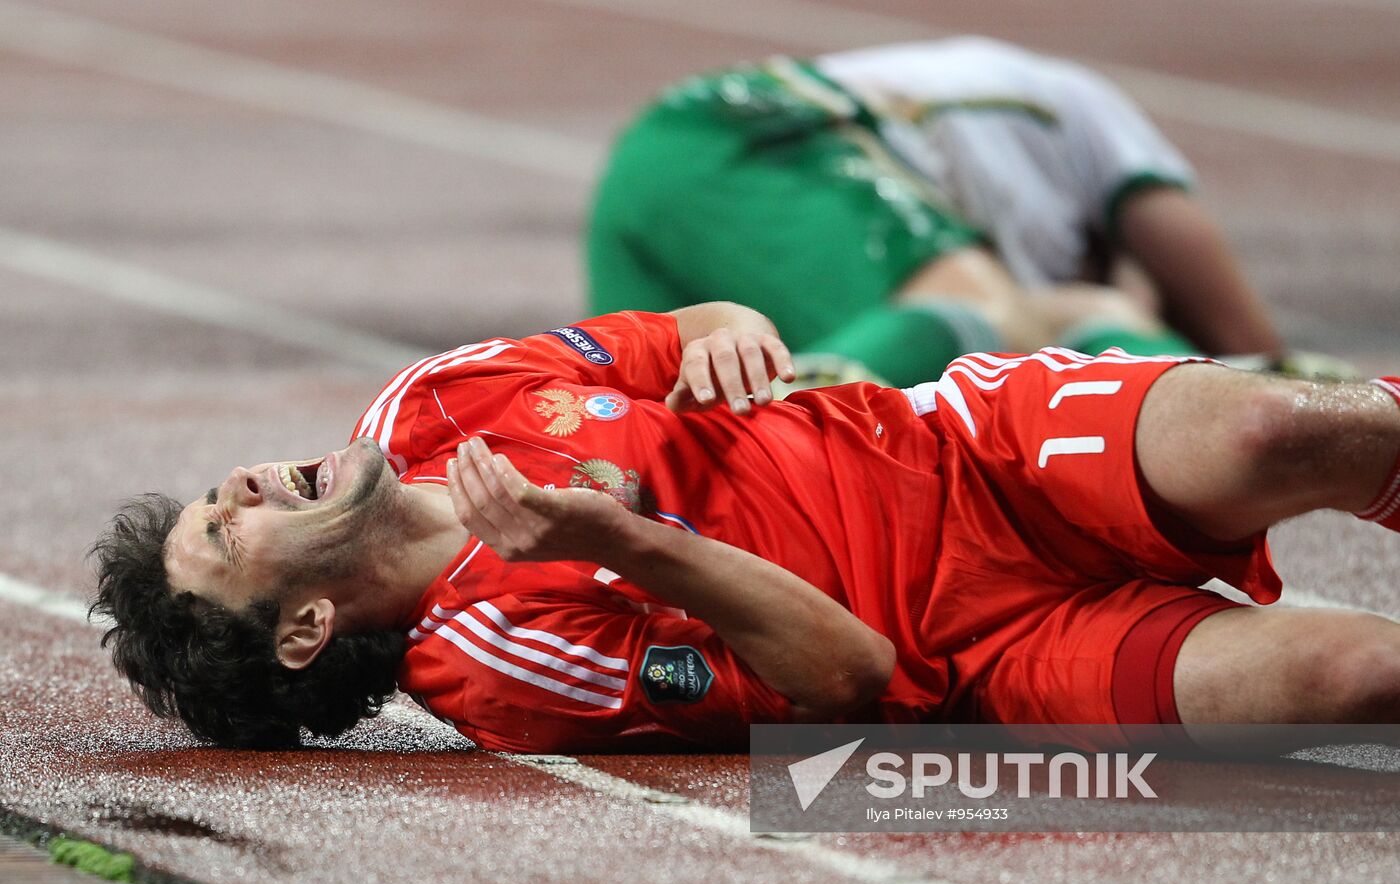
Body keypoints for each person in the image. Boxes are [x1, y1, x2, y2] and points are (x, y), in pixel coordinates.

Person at [91, 302, 1400, 754]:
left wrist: (740, 338)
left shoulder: (429, 395)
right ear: (308, 627)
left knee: (1276, 435)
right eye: (227, 528)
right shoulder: (497, 666)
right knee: (1355, 679)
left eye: (223, 483)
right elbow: (850, 678)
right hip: (988, 656)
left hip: (962, 448)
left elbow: (700, 328)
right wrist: (618, 539)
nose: (247, 482)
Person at [588, 37, 1348, 390]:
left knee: (661, 407)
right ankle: (805, 398)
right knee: (986, 312)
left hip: (645, 178)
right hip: (764, 127)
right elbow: (1232, 316)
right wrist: (1257, 377)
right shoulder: (1092, 119)